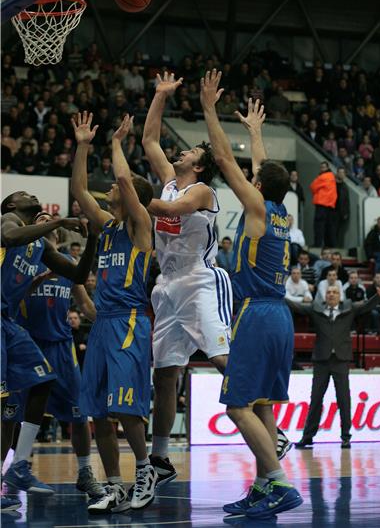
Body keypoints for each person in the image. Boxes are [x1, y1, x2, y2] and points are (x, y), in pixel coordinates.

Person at [201, 69, 303, 519]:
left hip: (257, 313)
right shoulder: (279, 208)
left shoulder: (259, 207)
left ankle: (279, 481)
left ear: (258, 189)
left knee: (238, 404)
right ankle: (264, 485)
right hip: (279, 315)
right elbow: (262, 171)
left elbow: (224, 160)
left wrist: (209, 110)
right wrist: (257, 133)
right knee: (262, 404)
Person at [141, 72, 232, 486]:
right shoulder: (171, 182)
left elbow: (170, 212)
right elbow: (149, 141)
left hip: (200, 281)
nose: (180, 152)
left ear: (198, 165)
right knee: (165, 372)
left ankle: (271, 426)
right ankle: (160, 458)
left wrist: (132, 192)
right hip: (167, 285)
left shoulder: (202, 193)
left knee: (219, 358)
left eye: (190, 151)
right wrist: (160, 96)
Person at [71, 111, 156, 513]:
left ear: (131, 194)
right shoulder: (106, 227)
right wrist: (83, 147)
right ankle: (115, 486)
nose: (111, 187)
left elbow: (123, 179)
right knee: (99, 415)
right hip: (103, 325)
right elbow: (80, 191)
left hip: (130, 321)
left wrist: (118, 143)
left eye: (118, 186)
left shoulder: (140, 226)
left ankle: (144, 471)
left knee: (124, 406)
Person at [1, 192, 97, 498]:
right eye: (23, 195)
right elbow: (10, 236)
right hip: (13, 325)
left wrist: (92, 238)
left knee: (44, 382)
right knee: (5, 410)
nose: (31, 196)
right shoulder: (8, 220)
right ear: (12, 205)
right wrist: (60, 220)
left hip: (13, 327)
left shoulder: (40, 246)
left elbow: (80, 274)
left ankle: (19, 467)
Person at [287, 283, 380, 448]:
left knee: (343, 399)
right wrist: (280, 296)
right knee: (315, 400)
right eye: (329, 292)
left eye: (335, 292)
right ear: (325, 295)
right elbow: (297, 306)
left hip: (340, 360)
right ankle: (307, 436)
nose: (331, 294)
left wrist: (378, 297)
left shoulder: (349, 309)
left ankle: (346, 437)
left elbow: (365, 306)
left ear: (339, 295)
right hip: (321, 361)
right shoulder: (316, 308)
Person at [310, 161, 337, 247]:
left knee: (319, 226)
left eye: (323, 167)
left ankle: (318, 244)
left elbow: (313, 186)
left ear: (327, 168)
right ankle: (330, 245)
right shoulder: (332, 177)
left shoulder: (323, 177)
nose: (322, 169)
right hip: (330, 205)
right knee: (329, 227)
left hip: (322, 204)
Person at [334, 167, 350, 247]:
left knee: (341, 232)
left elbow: (346, 201)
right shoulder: (332, 184)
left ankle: (339, 247)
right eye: (339, 172)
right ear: (337, 173)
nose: (341, 174)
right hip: (332, 211)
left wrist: (346, 212)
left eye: (343, 173)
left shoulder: (345, 186)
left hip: (341, 212)